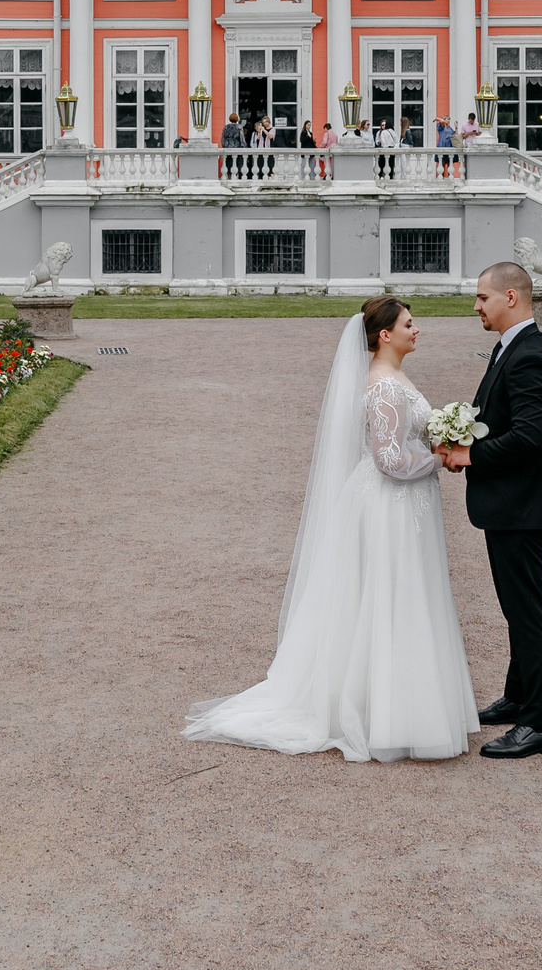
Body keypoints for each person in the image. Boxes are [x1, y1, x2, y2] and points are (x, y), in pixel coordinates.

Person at [184, 298, 479, 762]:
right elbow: (389, 461)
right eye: (408, 323)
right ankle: (383, 713)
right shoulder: (383, 386)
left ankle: (401, 705)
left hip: (406, 502)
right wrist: (442, 459)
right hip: (389, 504)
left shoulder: (395, 378)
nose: (416, 329)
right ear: (385, 335)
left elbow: (404, 442)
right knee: (388, 597)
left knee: (401, 595)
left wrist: (439, 442)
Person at [436, 261, 542, 757]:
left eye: (482, 297)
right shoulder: (512, 348)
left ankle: (540, 724)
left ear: (511, 298)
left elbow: (529, 438)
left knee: (527, 611)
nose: (476, 306)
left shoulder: (531, 355)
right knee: (518, 608)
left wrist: (468, 454)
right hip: (513, 502)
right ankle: (519, 698)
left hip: (523, 504)